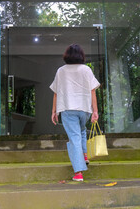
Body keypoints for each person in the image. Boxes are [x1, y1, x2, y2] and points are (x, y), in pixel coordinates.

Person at [50, 43, 100, 182]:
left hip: (67, 108)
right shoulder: (86, 70)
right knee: (82, 131)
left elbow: (56, 93)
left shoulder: (61, 71)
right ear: (81, 56)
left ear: (67, 55)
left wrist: (54, 111)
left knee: (74, 138)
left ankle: (78, 173)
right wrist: (95, 111)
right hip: (84, 108)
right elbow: (92, 91)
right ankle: (84, 155)